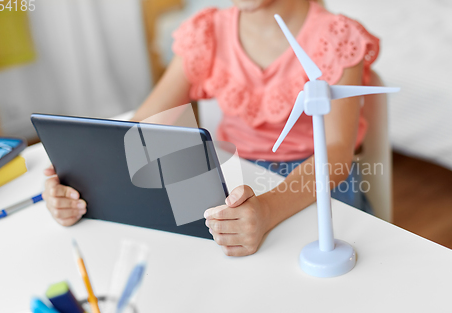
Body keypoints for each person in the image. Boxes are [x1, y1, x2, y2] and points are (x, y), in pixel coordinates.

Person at [43, 0, 380, 257]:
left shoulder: (337, 38)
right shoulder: (207, 32)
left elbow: (336, 152)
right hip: (236, 177)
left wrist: (267, 210)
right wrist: (81, 187)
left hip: (314, 182)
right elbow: (143, 125)